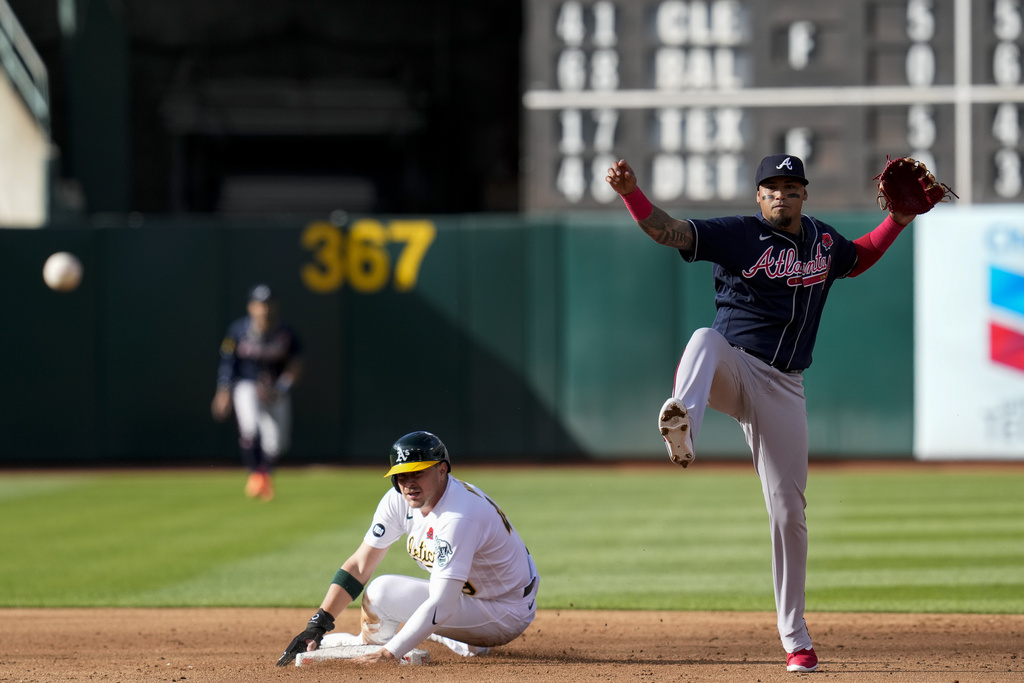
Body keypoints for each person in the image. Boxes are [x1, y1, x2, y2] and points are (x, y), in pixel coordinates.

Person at [606, 154, 917, 673]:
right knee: (704, 338)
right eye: (771, 187)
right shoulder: (738, 235)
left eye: (791, 187)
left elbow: (856, 258)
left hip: (784, 387)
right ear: (758, 196)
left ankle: (796, 638)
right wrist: (631, 194)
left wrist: (897, 222)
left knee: (789, 513)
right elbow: (670, 232)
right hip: (733, 367)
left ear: (804, 195)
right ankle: (683, 426)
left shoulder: (822, 241)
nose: (781, 195)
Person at [276, 431, 539, 666]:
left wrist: (390, 653)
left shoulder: (459, 516)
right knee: (380, 592)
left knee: (408, 607)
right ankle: (381, 644)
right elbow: (360, 565)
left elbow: (441, 604)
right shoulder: (398, 500)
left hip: (504, 610)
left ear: (442, 469)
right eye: (401, 475)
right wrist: (318, 624)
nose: (408, 482)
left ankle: (453, 640)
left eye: (418, 472)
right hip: (466, 597)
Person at [211, 284, 303, 501]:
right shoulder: (238, 330)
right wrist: (223, 392)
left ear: (275, 305)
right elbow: (227, 364)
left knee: (278, 443)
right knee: (249, 427)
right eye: (260, 304)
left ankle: (263, 476)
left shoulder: (285, 332)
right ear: (251, 307)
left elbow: (297, 363)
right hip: (247, 385)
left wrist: (283, 387)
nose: (264, 309)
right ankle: (257, 476)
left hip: (276, 388)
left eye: (268, 304)